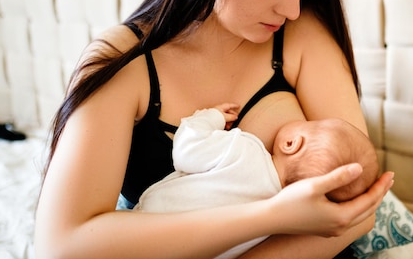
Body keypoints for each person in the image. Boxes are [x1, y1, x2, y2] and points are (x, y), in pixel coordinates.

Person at [34, 0, 394, 259]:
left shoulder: (299, 37)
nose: (292, 8)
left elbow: (360, 206)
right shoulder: (125, 62)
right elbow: (62, 245)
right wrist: (270, 217)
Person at [135, 103, 380, 259]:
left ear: (291, 143)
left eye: (311, 124)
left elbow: (186, 151)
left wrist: (211, 117)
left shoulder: (244, 151)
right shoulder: (282, 229)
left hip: (148, 230)